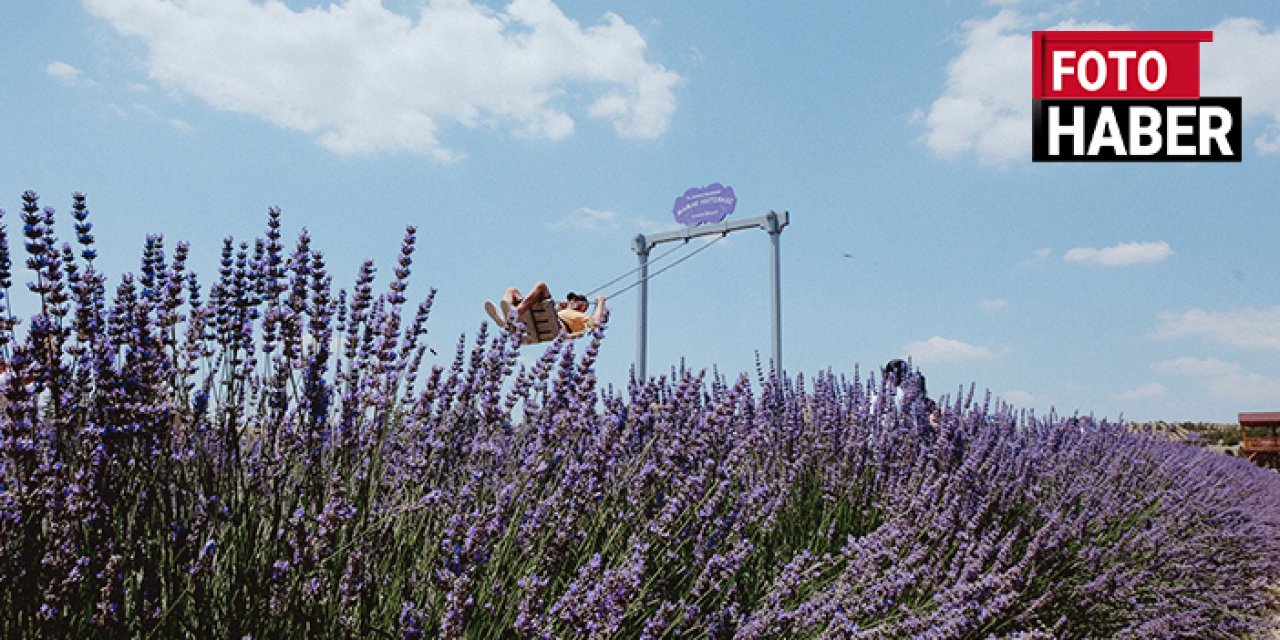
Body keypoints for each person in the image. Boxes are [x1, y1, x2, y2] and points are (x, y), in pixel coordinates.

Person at [500, 281, 607, 334]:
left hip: (553, 325)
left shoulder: (580, 316)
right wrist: (558, 308)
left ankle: (514, 314)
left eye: (575, 300)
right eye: (571, 299)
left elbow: (595, 324)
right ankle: (506, 318)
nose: (571, 301)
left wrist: (601, 302)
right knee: (512, 291)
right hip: (535, 317)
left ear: (583, 307)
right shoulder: (563, 311)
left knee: (541, 286)